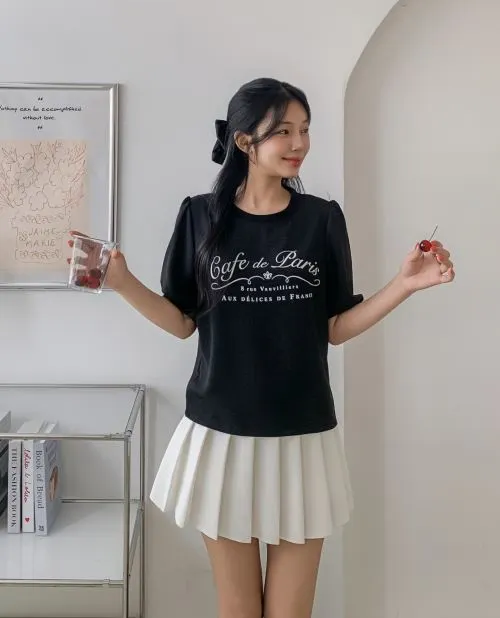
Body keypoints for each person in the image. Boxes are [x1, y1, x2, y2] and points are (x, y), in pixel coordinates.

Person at [68, 78, 455, 618]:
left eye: (305, 130)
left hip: (303, 433)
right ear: (244, 141)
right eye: (284, 131)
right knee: (239, 607)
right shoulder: (200, 215)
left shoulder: (321, 219)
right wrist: (121, 282)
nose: (299, 143)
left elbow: (335, 327)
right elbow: (182, 323)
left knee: (291, 611)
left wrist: (404, 285)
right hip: (220, 434)